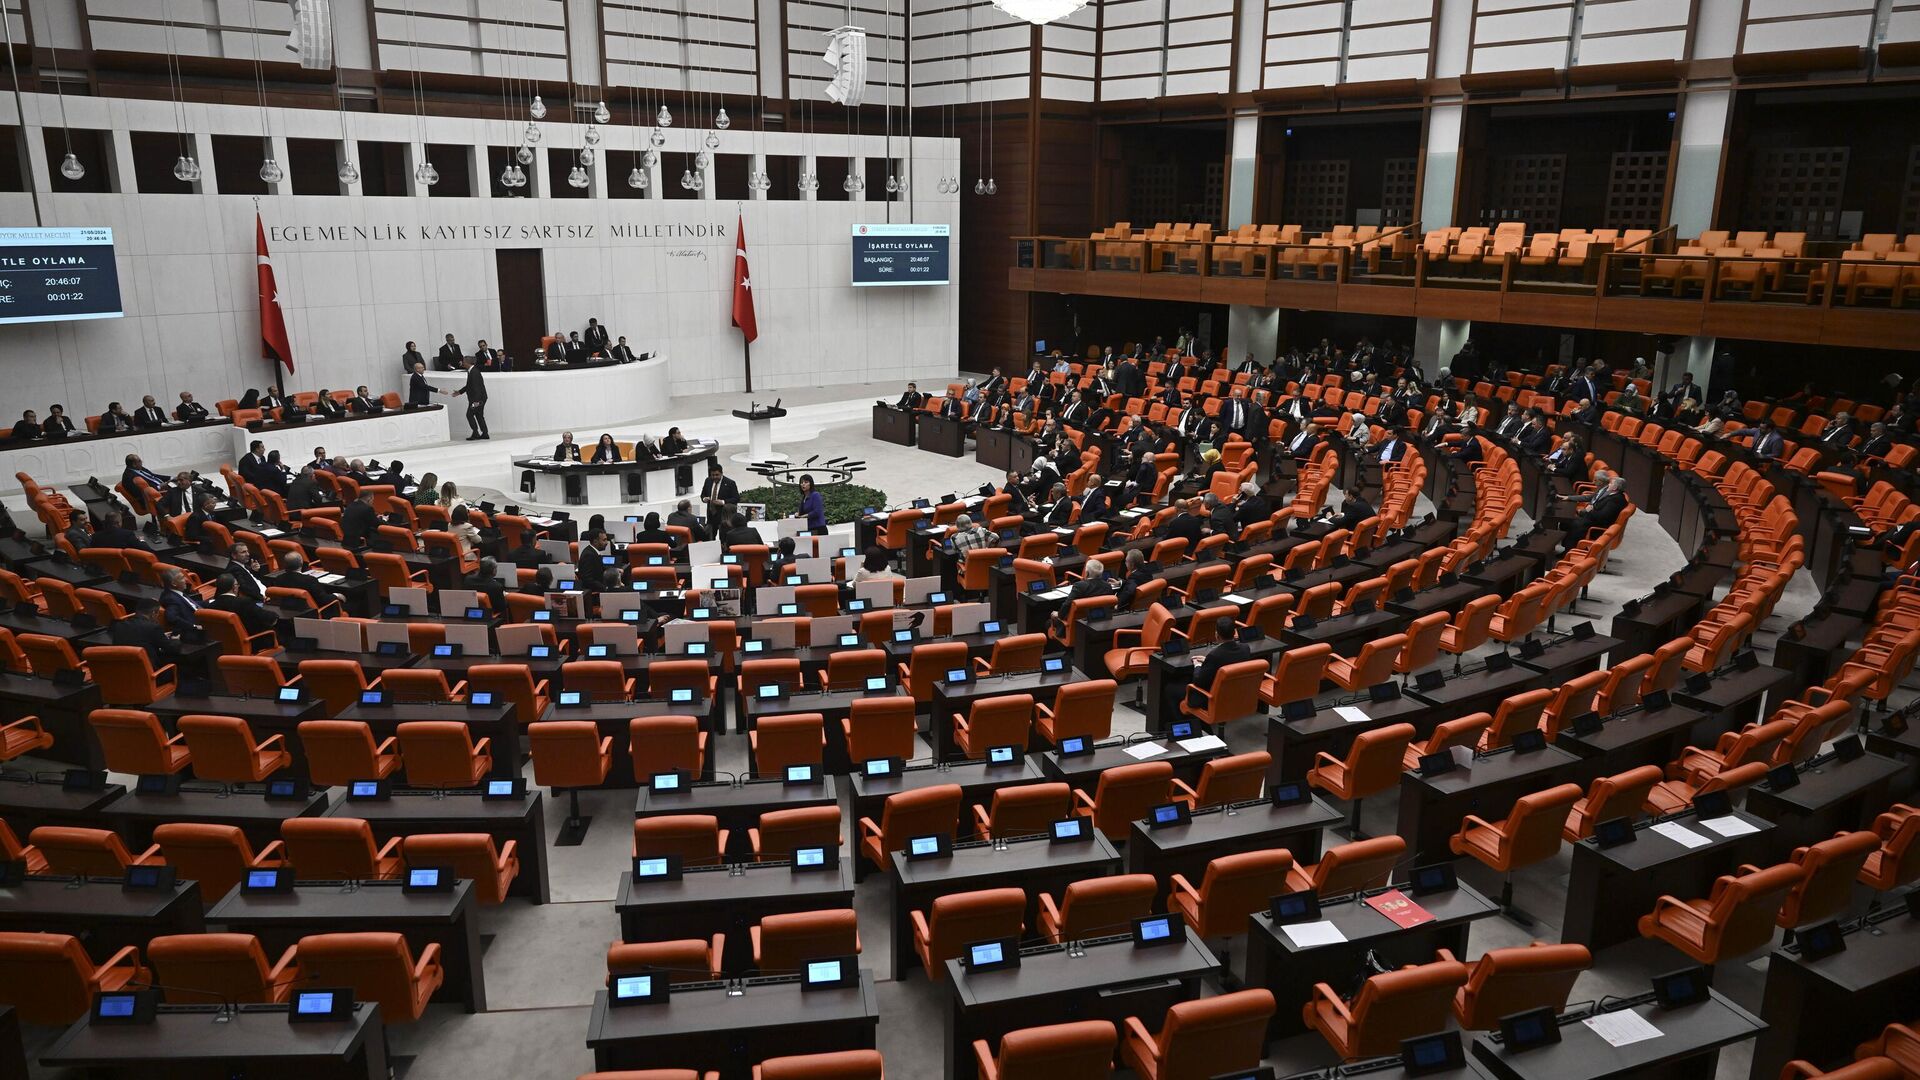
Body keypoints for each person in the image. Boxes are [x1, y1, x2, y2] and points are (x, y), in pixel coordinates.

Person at [1188, 616, 1252, 705]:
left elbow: (1198, 682)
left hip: (1213, 698)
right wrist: (1207, 660)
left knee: (1171, 690)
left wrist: (1197, 665)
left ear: (1217, 635)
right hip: (1237, 692)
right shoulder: (1245, 648)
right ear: (1234, 633)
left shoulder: (1214, 655)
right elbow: (1229, 661)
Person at [208, 574, 277, 637]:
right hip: (255, 641)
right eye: (237, 584)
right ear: (234, 588)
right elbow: (268, 617)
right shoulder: (244, 602)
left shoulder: (211, 607)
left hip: (225, 645)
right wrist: (275, 615)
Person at [109, 599, 176, 663]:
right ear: (153, 613)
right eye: (157, 613)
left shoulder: (117, 625)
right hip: (150, 669)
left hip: (123, 666)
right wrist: (174, 640)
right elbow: (170, 648)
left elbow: (137, 636)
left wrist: (161, 636)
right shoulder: (153, 628)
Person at [267, 551, 335, 611]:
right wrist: (336, 595)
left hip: (287, 611)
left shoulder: (279, 579)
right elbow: (323, 600)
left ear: (285, 564)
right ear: (301, 563)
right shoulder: (310, 580)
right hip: (311, 613)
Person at [444, 357, 488, 439]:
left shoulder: (474, 372)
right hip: (480, 398)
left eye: (463, 361)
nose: (462, 363)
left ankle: (476, 433)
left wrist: (476, 402)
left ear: (468, 363)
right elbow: (469, 385)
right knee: (479, 415)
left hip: (477, 399)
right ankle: (485, 433)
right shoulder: (472, 371)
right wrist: (459, 392)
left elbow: (477, 388)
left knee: (470, 415)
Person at [701, 462, 739, 537]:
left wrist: (723, 502)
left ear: (721, 473)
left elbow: (736, 498)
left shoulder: (730, 483)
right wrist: (704, 499)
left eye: (717, 475)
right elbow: (703, 494)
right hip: (711, 516)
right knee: (710, 538)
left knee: (723, 538)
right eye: (712, 475)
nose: (714, 477)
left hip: (723, 517)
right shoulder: (708, 481)